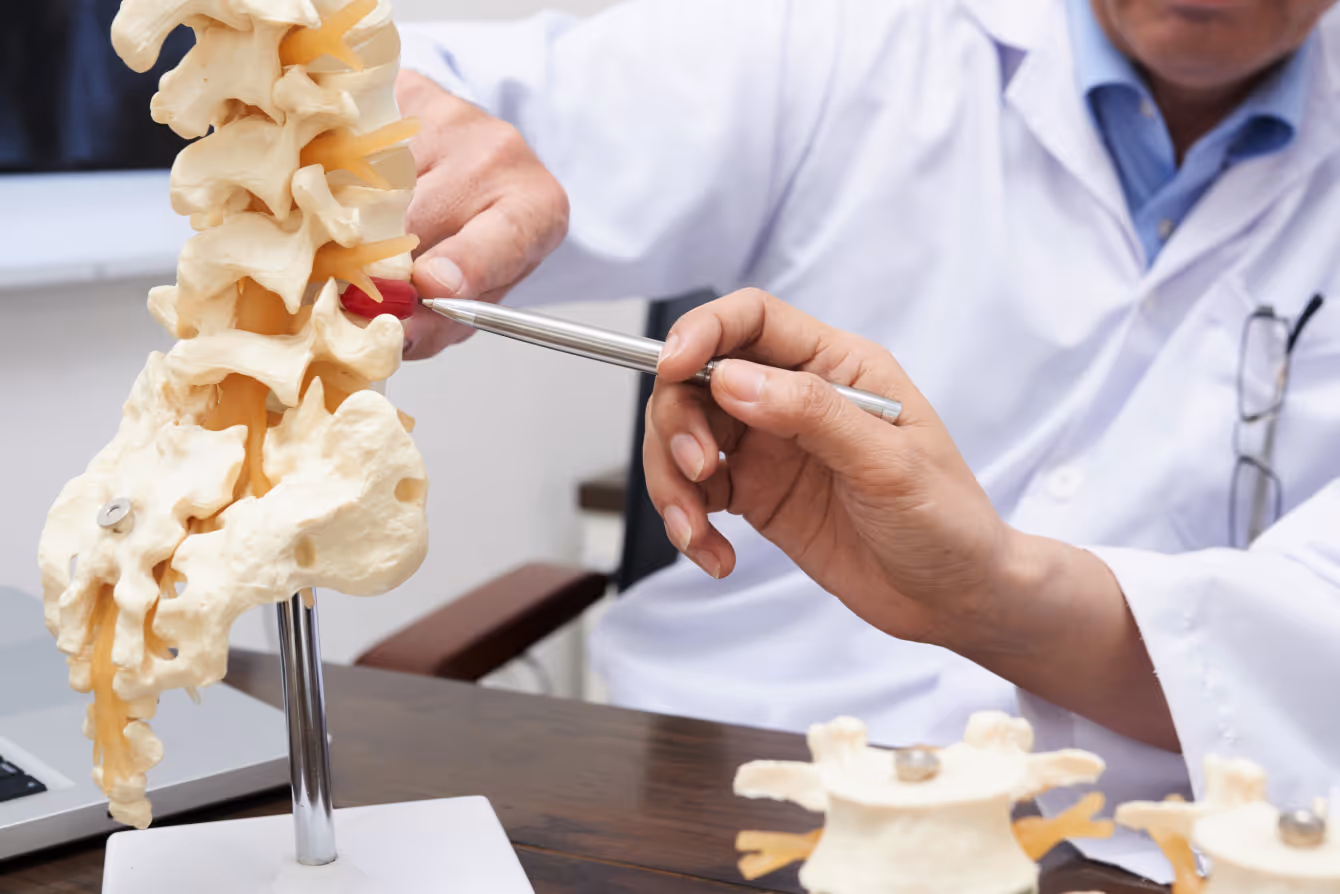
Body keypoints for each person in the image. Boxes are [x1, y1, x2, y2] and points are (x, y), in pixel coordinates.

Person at [395, 0, 1340, 876]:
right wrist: (407, 151)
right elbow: (411, 84)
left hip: (1174, 842)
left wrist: (993, 592)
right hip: (731, 781)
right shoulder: (842, 36)